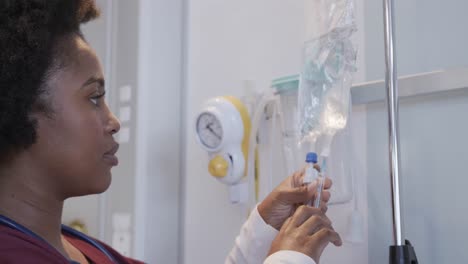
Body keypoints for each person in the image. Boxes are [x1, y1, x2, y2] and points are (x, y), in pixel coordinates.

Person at [0, 0, 341, 263]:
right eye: (94, 98)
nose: (113, 121)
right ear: (21, 109)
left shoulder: (81, 248)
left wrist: (261, 230)